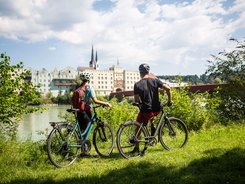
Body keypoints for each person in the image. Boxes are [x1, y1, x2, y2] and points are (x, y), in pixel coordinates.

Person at [132, 63, 172, 153]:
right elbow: (168, 89)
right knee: (152, 115)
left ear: (140, 73)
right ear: (148, 71)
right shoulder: (155, 80)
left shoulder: (137, 85)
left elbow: (136, 100)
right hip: (156, 110)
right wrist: (169, 101)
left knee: (138, 127)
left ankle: (137, 148)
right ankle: (152, 127)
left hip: (146, 110)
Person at [74, 72, 112, 156]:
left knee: (82, 131)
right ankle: (85, 152)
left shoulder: (78, 87)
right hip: (86, 111)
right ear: (88, 79)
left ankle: (83, 151)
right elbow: (95, 101)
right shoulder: (89, 87)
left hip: (78, 111)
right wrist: (106, 103)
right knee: (86, 131)